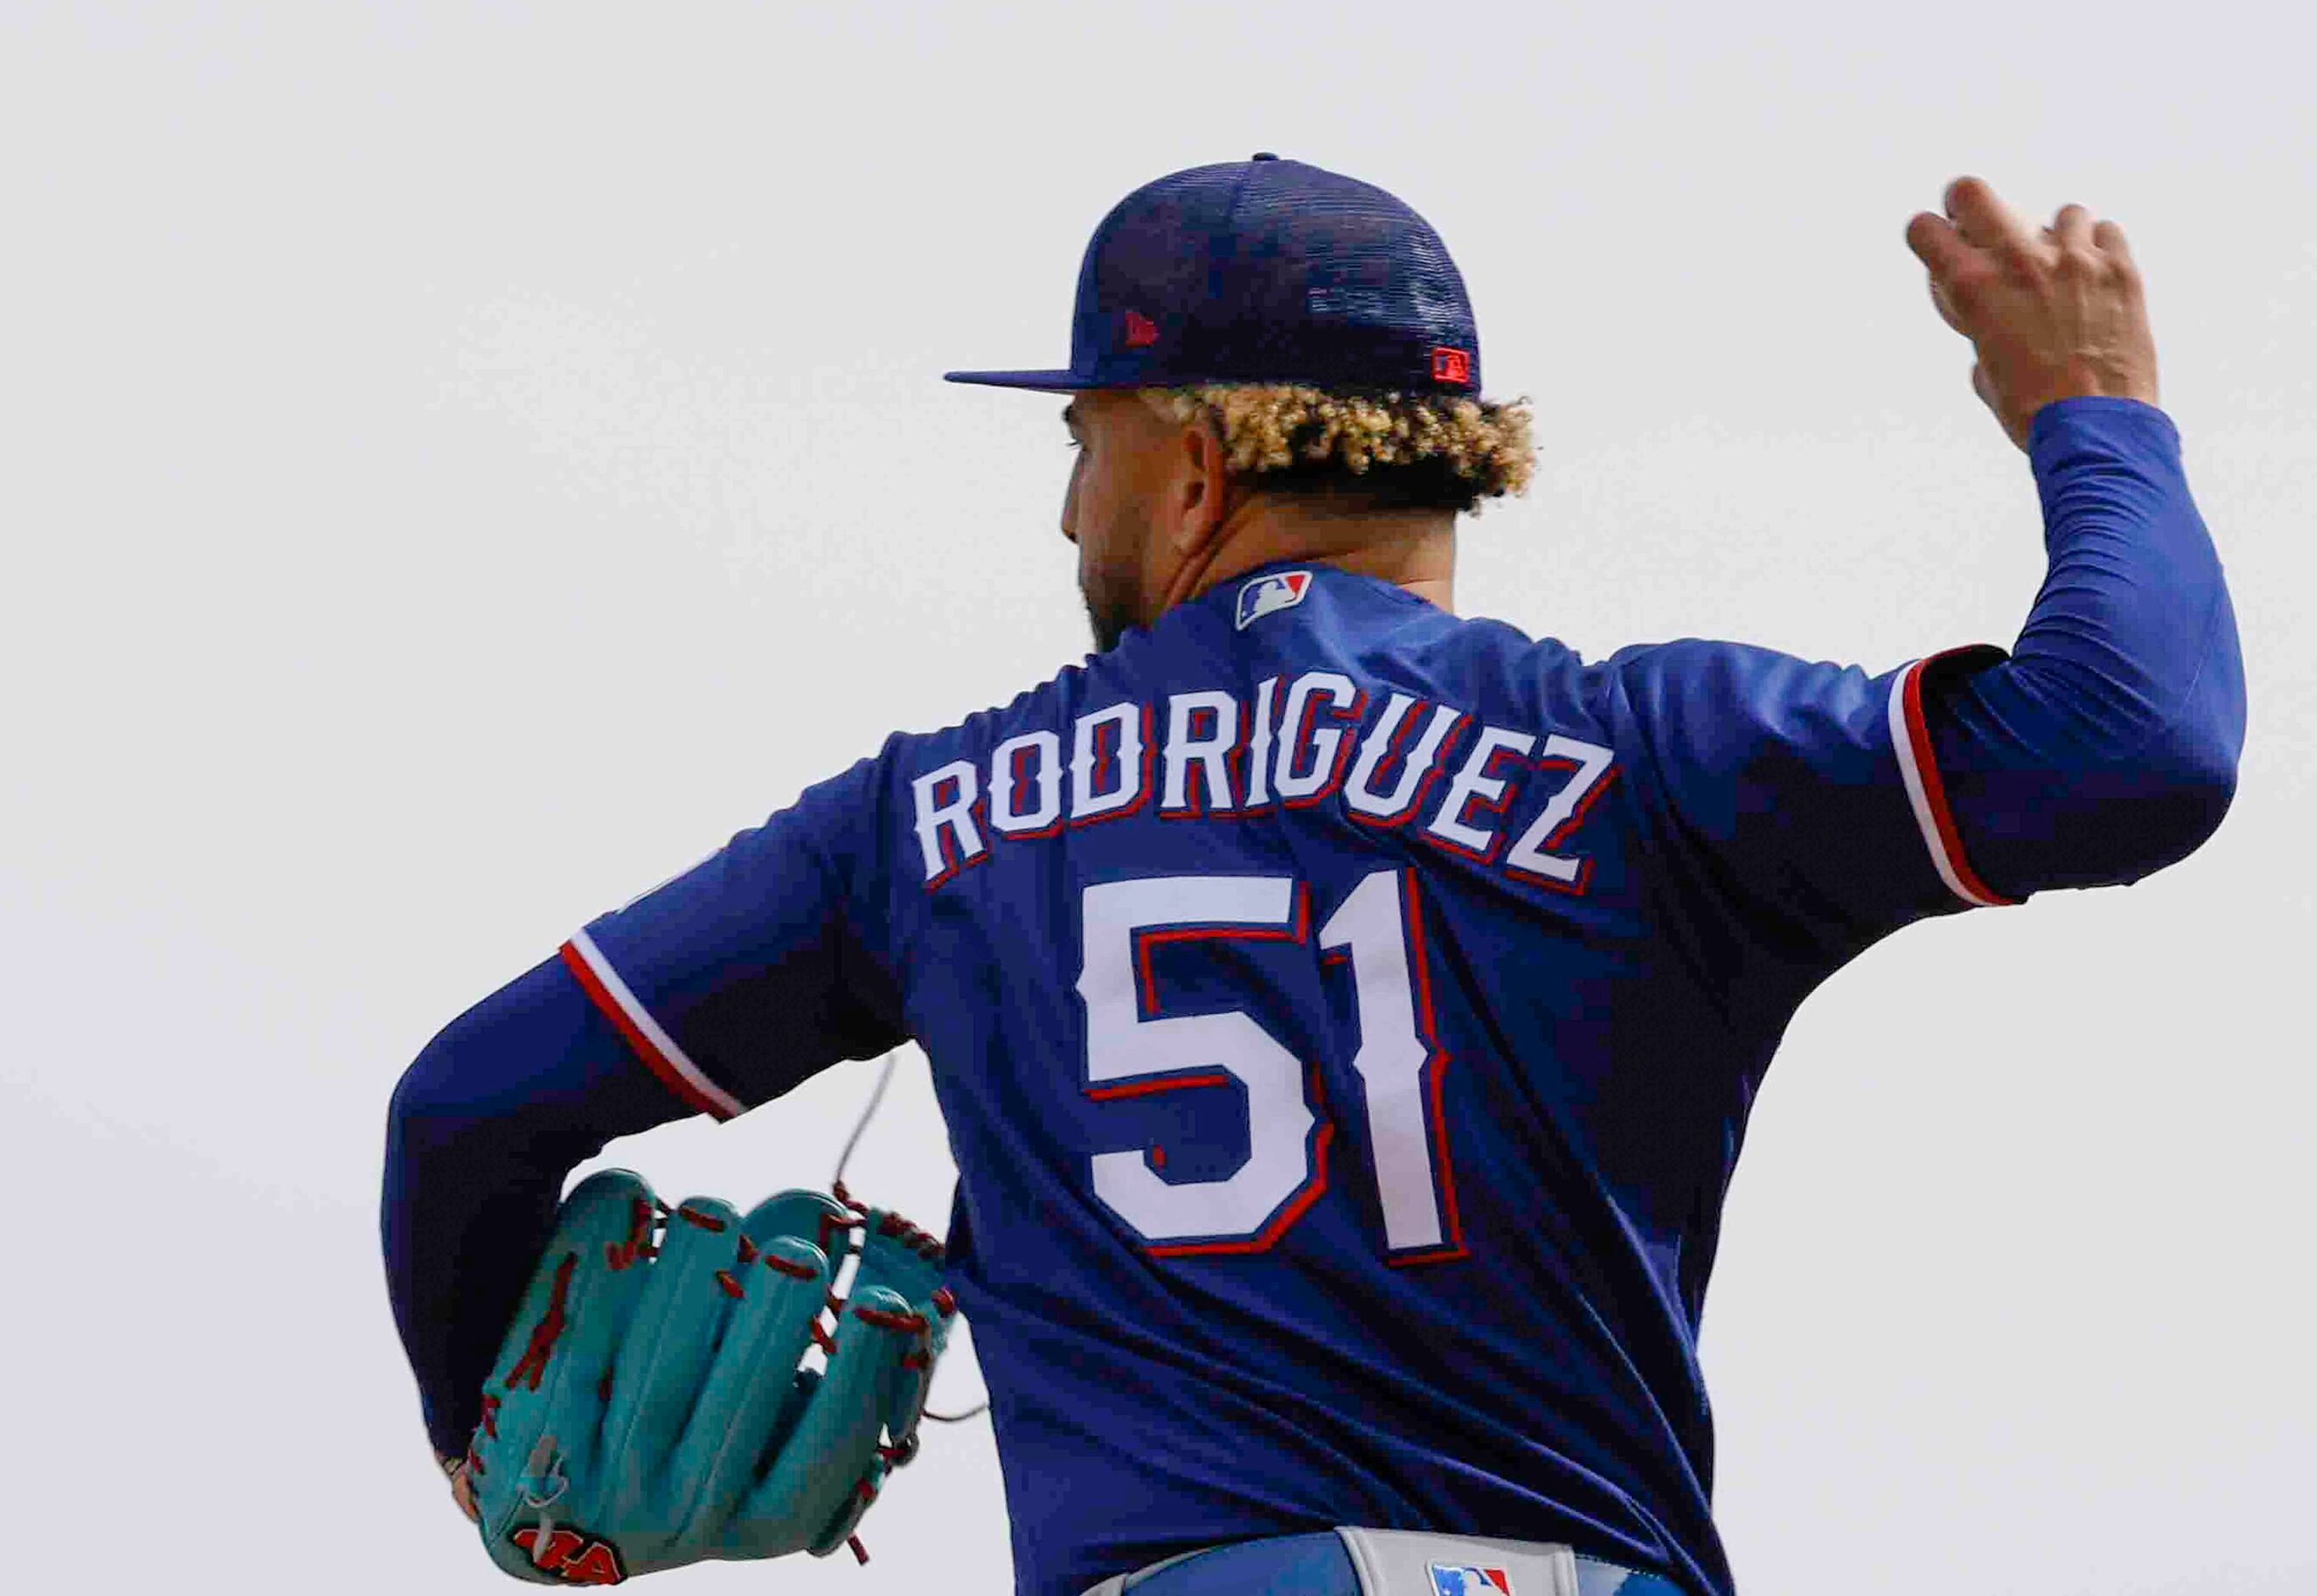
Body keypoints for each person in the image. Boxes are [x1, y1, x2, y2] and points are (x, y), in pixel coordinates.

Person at [383, 155, 2243, 1596]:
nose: (1064, 507)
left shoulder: (926, 822)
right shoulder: (1647, 759)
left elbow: (468, 1104)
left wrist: (488, 1462)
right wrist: (2097, 413)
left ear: (1194, 471)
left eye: (1082, 442)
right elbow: (2134, 747)